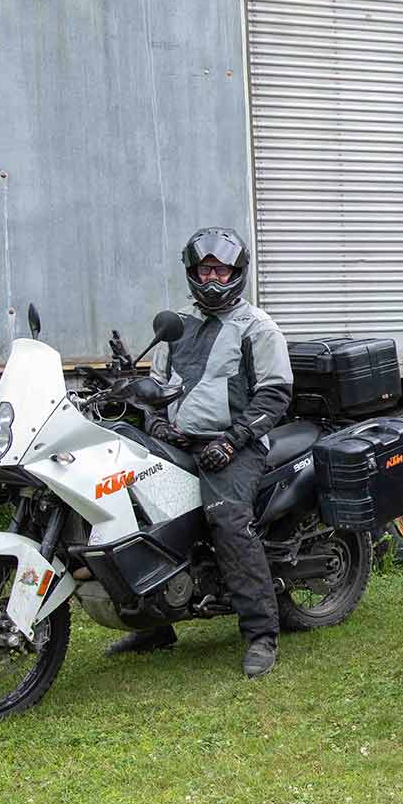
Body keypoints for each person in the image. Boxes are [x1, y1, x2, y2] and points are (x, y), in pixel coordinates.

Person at [112, 228, 292, 678]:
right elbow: (161, 388)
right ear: (193, 272)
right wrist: (153, 420)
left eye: (221, 269)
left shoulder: (258, 328)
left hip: (238, 445)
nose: (212, 278)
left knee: (228, 520)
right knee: (133, 509)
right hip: (182, 440)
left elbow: (274, 396)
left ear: (237, 273)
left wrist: (232, 440)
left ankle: (261, 635)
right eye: (205, 269)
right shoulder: (175, 324)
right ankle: (154, 624)